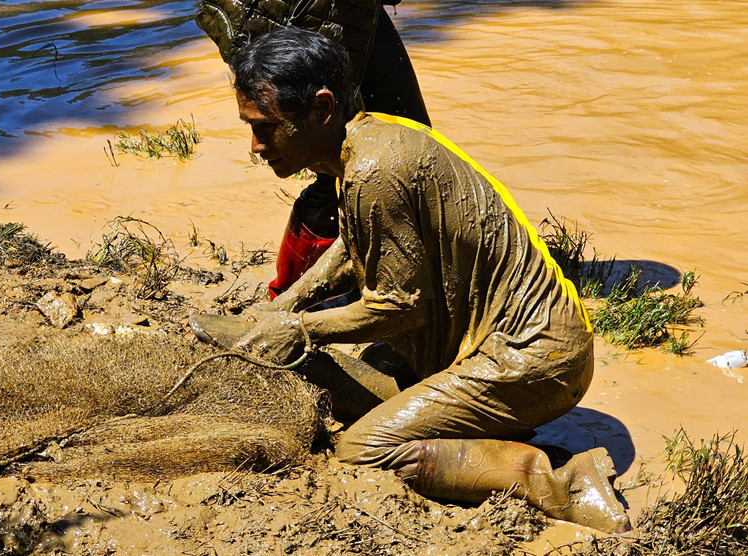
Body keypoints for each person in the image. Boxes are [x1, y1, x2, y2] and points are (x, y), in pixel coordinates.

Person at [191, 27, 631, 534]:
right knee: (363, 368)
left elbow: (398, 307)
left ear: (321, 108)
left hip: (534, 357)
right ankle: (485, 436)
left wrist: (300, 330)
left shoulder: (376, 171)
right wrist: (284, 306)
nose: (254, 146)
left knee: (362, 449)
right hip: (492, 346)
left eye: (265, 127)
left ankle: (564, 480)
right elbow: (351, 248)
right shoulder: (366, 141)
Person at [196, 0, 430, 297]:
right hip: (299, 10)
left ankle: (296, 297)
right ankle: (298, 300)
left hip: (337, 11)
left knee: (394, 151)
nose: (254, 147)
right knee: (342, 158)